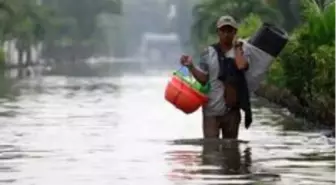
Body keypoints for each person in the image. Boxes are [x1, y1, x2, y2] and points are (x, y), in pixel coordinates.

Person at [180, 15, 252, 139]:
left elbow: (242, 66)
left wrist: (238, 48)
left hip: (232, 111)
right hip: (211, 110)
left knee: (231, 152)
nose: (226, 34)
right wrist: (190, 66)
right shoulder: (208, 53)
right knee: (210, 150)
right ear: (218, 32)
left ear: (235, 32)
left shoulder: (242, 51)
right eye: (223, 30)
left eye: (230, 31)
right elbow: (203, 79)